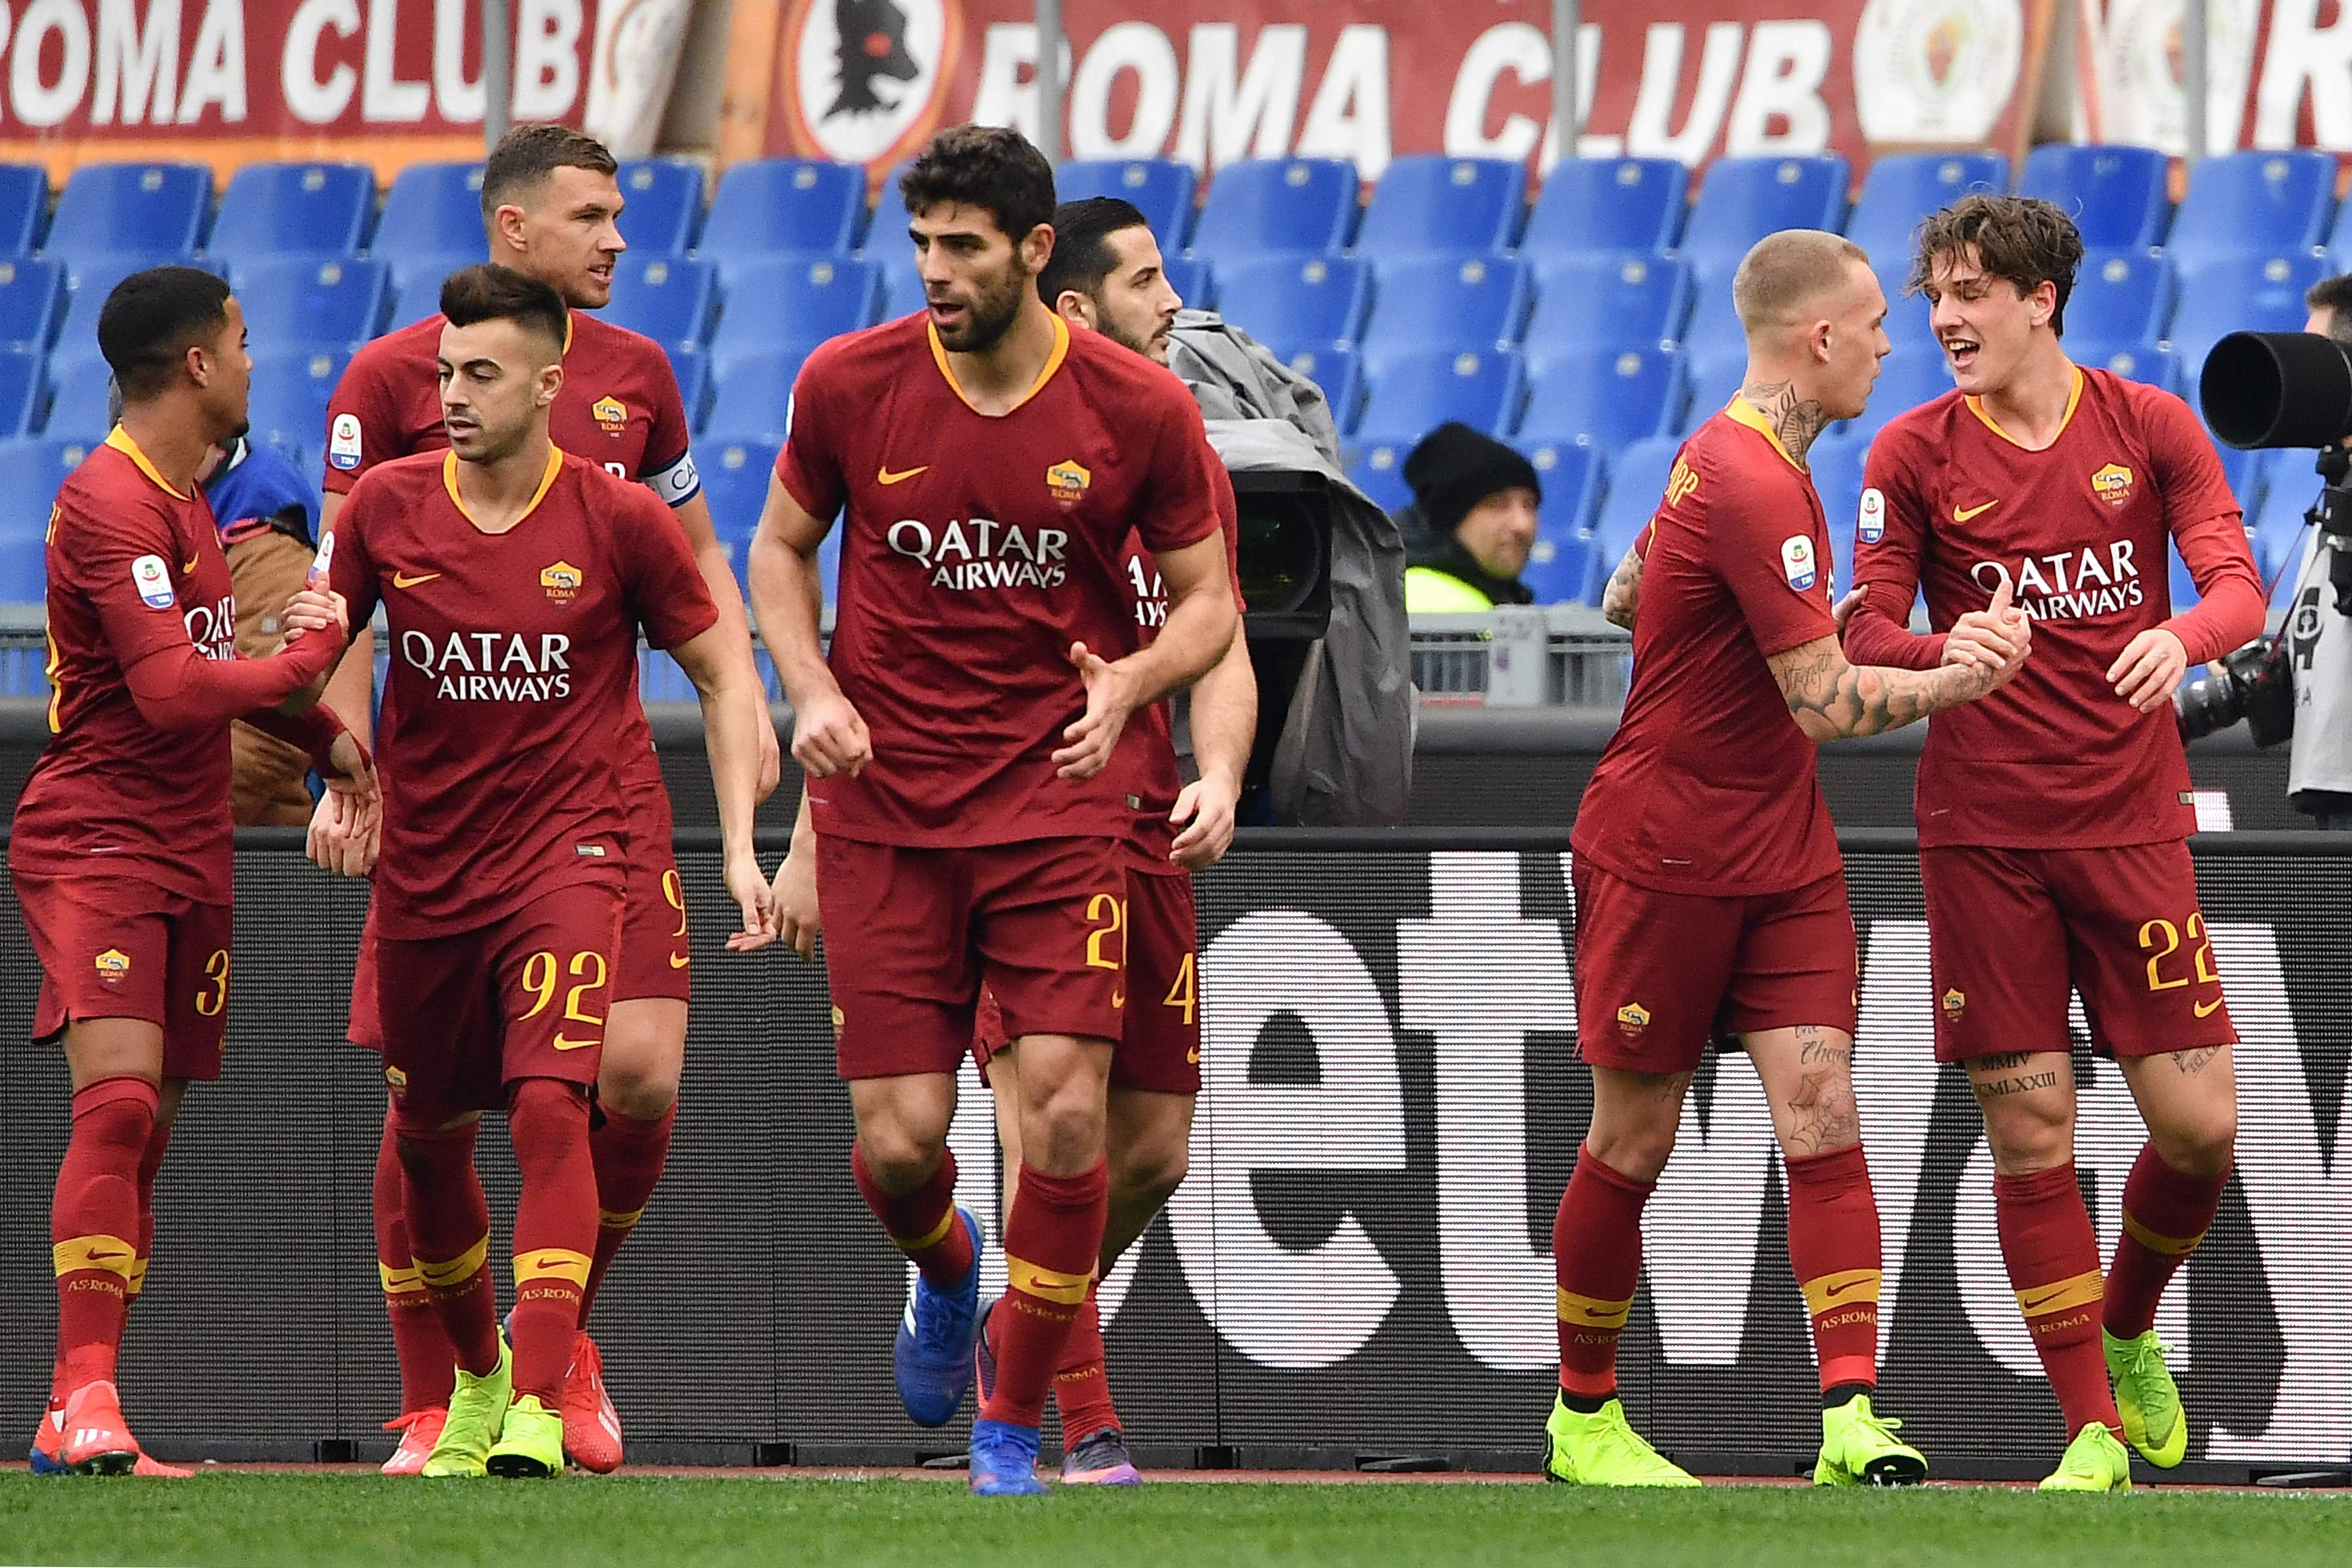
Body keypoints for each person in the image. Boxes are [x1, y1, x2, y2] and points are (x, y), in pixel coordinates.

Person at [745, 127, 1237, 1497]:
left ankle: (1012, 1433)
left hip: (1057, 806)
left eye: (963, 246)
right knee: (900, 1142)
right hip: (888, 812)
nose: (936, 272)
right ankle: (951, 1274)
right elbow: (778, 549)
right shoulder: (851, 384)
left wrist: (1133, 680)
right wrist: (809, 687)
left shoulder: (1138, 409)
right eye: (922, 245)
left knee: (1070, 1123)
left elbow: (1211, 604)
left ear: (1033, 253)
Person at [315, 122, 777, 1477]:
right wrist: (348, 764)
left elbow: (700, 584)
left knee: (608, 1082)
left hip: (592, 809)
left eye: (620, 215)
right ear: (512, 228)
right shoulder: (390, 397)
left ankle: (550, 1357)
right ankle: (444, 1392)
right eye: (590, 215)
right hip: (439, 813)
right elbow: (344, 608)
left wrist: (745, 802)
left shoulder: (638, 392)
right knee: (428, 1113)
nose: (618, 239)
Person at [1558, 230, 2030, 1488]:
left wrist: (1942, 647)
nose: (1897, 338)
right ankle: (1584, 1419)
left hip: (1782, 854)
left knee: (1823, 1113)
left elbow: (1629, 595)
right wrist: (1965, 682)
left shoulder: (1740, 461)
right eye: (1878, 319)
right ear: (1818, 338)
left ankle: (1849, 1414)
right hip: (1666, 850)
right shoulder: (1754, 479)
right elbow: (1823, 703)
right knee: (1635, 1141)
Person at [1844, 194, 2263, 1491]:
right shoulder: (1909, 454)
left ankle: (2130, 1327)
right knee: (2033, 1134)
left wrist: (2180, 637)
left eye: (1972, 293)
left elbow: (2241, 586)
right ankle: (2089, 1432)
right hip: (1984, 839)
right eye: (1935, 298)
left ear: (2042, 302)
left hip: (2131, 824)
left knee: (2200, 1129)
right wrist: (1948, 650)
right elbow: (1864, 632)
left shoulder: (2148, 426)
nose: (1946, 320)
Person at [13, 266, 367, 1477]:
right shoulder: (107, 501)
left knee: (147, 1128)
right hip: (99, 837)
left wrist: (330, 742)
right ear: (200, 366)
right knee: (116, 1103)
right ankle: (93, 1397)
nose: (258, 362)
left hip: (188, 844)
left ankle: (75, 1406)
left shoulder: (187, 504)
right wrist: (316, 652)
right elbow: (170, 695)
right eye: (245, 342)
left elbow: (211, 668)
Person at [1396, 422, 1540, 612]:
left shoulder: (1495, 597)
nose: (1522, 525)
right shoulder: (1428, 602)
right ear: (1450, 518)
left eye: (1529, 505)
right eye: (1497, 504)